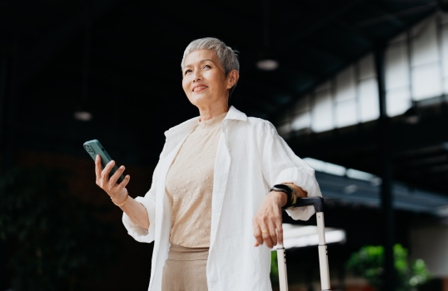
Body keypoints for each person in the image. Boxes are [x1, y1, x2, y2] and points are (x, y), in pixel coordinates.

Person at [94, 37, 322, 291]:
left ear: (230, 78)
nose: (195, 77)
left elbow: (301, 178)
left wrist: (275, 196)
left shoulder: (255, 131)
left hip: (229, 273)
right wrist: (121, 198)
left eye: (206, 67)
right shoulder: (175, 142)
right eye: (188, 71)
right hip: (173, 271)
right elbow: (153, 219)